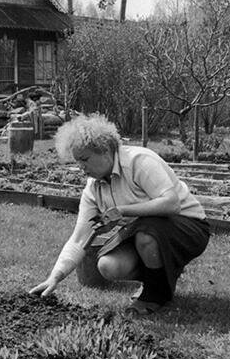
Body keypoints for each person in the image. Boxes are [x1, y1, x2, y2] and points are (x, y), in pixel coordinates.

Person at [29, 113, 210, 316]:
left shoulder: (138, 161)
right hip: (148, 233)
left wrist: (123, 211)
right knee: (108, 266)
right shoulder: (93, 188)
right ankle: (160, 274)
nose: (81, 167)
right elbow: (79, 238)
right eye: (77, 161)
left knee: (146, 235)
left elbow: (171, 203)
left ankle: (156, 294)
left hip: (189, 227)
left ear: (105, 150)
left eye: (85, 159)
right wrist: (54, 277)